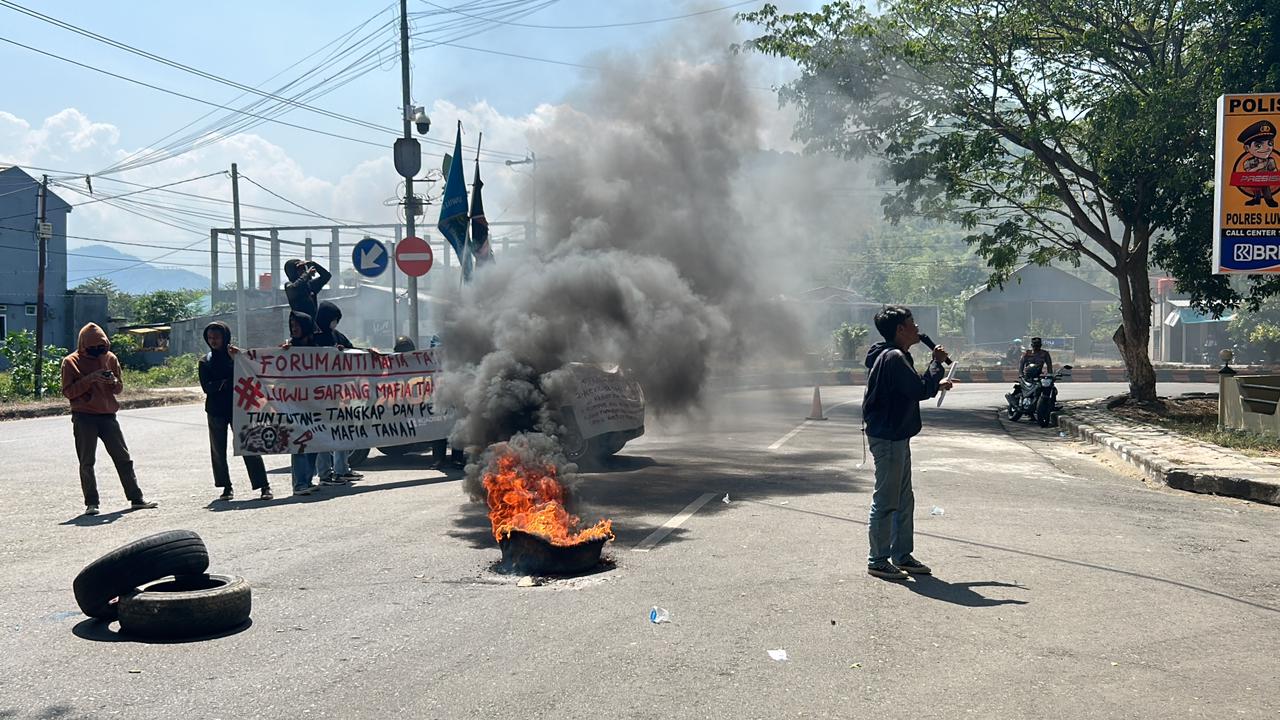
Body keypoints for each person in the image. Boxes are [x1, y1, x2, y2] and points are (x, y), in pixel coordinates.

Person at [861, 306, 953, 580]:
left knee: (903, 499)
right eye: (912, 324)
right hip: (889, 437)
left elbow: (912, 387)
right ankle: (877, 559)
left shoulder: (892, 355)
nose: (917, 328)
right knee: (887, 499)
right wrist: (936, 363)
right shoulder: (893, 357)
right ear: (900, 330)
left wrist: (937, 382)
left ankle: (902, 554)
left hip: (897, 435)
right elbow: (918, 390)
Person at [60, 323, 158, 516]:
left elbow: (119, 388)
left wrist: (112, 382)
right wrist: (91, 379)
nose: (98, 351)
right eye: (93, 347)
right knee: (87, 461)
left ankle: (136, 498)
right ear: (83, 345)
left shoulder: (110, 358)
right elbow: (68, 392)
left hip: (108, 416)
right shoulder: (70, 362)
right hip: (84, 416)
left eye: (102, 346)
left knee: (123, 458)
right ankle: (91, 503)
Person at [199, 321, 272, 501]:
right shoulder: (205, 361)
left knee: (249, 445)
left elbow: (251, 372)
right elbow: (207, 387)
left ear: (225, 337)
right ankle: (225, 487)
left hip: (239, 408)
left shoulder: (238, 356)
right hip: (216, 411)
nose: (213, 341)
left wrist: (233, 365)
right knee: (218, 450)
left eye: (217, 337)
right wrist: (225, 382)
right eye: (210, 338)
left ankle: (264, 486)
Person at [312, 301, 363, 486]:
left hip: (339, 394)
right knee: (323, 434)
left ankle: (342, 469)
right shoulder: (313, 337)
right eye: (334, 320)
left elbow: (353, 349)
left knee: (342, 431)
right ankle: (325, 473)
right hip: (320, 396)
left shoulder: (335, 335)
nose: (335, 323)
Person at [284, 311, 321, 496]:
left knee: (314, 441)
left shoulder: (318, 348)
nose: (294, 328)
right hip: (295, 404)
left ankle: (307, 479)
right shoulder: (288, 348)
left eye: (297, 324)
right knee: (298, 441)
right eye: (292, 325)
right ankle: (299, 484)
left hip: (315, 404)